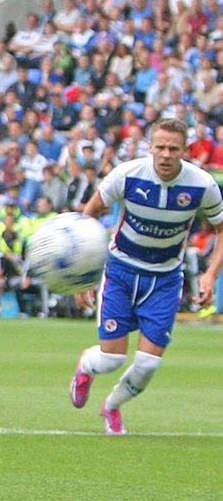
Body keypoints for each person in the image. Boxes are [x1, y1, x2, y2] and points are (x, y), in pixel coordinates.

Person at [69, 118, 223, 434]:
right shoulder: (127, 174)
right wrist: (84, 273)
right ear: (150, 147)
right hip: (121, 271)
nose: (166, 154)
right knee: (111, 360)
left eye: (173, 148)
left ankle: (111, 407)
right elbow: (91, 211)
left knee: (148, 364)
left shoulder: (202, 184)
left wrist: (210, 275)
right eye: (161, 147)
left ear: (185, 150)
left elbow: (221, 228)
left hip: (165, 279)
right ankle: (86, 365)